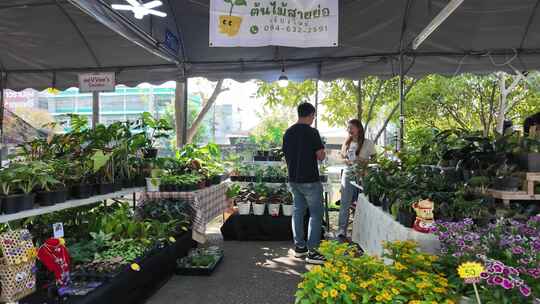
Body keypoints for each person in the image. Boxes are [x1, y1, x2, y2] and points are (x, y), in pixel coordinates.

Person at [282, 103, 326, 265]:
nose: (313, 119)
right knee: (315, 214)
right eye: (313, 116)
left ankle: (300, 248)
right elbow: (320, 156)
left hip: (293, 179)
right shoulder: (312, 132)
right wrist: (322, 151)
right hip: (310, 180)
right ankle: (313, 252)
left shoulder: (288, 132)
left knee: (298, 211)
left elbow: (286, 156)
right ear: (310, 114)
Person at [337, 119, 376, 242]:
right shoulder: (346, 142)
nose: (349, 130)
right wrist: (347, 161)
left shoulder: (368, 143)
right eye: (348, 128)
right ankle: (342, 230)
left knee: (362, 203)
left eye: (351, 127)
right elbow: (342, 158)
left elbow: (375, 161)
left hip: (363, 174)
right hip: (348, 173)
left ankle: (361, 229)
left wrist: (361, 160)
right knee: (345, 202)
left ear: (358, 128)